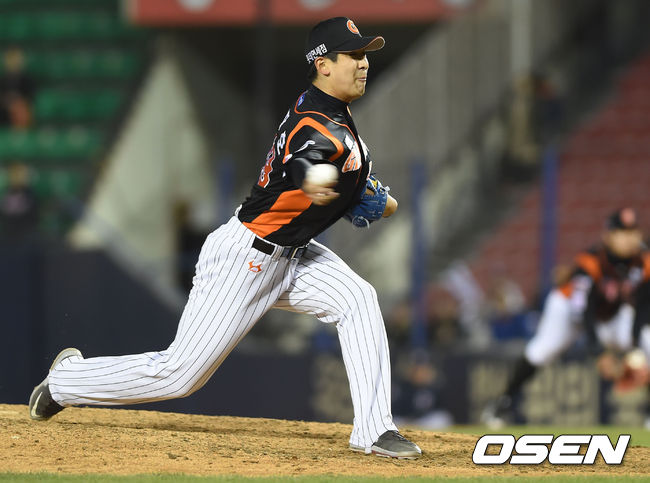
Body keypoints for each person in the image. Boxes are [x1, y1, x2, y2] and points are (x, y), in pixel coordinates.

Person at [29, 17, 421, 460]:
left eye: (365, 54)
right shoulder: (315, 124)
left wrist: (366, 195)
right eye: (353, 55)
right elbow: (306, 161)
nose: (364, 63)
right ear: (323, 64)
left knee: (358, 299)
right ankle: (66, 380)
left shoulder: (332, 114)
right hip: (247, 258)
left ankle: (374, 431)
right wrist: (324, 182)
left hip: (295, 256)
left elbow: (358, 184)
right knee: (179, 375)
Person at [482, 207, 650, 428]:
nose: (629, 238)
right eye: (622, 232)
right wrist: (599, 352)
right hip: (567, 308)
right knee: (541, 351)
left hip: (610, 314)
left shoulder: (645, 261)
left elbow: (644, 308)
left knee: (648, 339)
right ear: (608, 236)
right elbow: (582, 311)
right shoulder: (590, 261)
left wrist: (634, 347)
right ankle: (501, 404)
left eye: (633, 231)